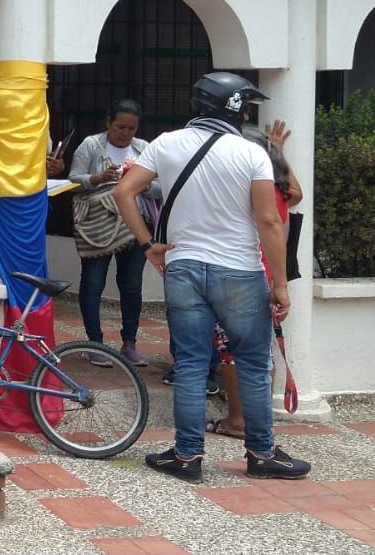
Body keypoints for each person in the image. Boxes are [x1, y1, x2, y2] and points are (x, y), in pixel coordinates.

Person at [114, 71, 310, 482]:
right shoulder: (249, 153)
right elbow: (270, 221)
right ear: (234, 108)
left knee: (189, 364)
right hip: (238, 270)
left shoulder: (166, 143)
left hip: (183, 267)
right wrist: (279, 284)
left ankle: (187, 457)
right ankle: (261, 453)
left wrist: (148, 243)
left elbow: (124, 192)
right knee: (254, 364)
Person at [207, 126, 301, 440]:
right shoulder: (281, 189)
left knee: (230, 351)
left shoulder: (247, 190)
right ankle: (257, 418)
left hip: (242, 273)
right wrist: (278, 152)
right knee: (262, 351)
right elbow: (297, 193)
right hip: (268, 275)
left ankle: (237, 420)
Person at [68, 99, 156, 367]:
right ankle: (95, 343)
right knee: (93, 282)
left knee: (132, 285)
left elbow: (160, 188)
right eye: (120, 126)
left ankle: (129, 343)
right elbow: (73, 180)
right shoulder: (91, 145)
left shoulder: (144, 149)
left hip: (134, 226)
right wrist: (96, 178)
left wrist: (136, 183)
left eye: (131, 128)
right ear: (108, 123)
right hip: (98, 227)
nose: (125, 133)